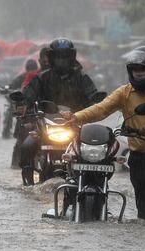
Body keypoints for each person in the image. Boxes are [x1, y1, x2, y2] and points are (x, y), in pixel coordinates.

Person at [66, 46, 145, 222]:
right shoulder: (124, 92)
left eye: (143, 69)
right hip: (139, 159)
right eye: (135, 70)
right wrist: (75, 117)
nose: (139, 73)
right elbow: (101, 109)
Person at [19, 38, 98, 183]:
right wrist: (23, 104)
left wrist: (96, 101)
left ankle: (91, 185)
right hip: (46, 125)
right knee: (26, 147)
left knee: (93, 151)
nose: (62, 60)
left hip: (75, 124)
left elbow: (93, 96)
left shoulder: (81, 78)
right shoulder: (42, 78)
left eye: (65, 56)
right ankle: (28, 185)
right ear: (51, 58)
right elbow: (28, 96)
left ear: (71, 57)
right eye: (58, 56)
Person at [3, 58, 39, 140]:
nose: (31, 72)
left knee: (14, 112)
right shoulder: (38, 76)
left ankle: (7, 132)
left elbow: (13, 84)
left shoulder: (38, 76)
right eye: (30, 70)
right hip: (28, 103)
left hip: (29, 103)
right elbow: (13, 84)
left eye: (32, 70)